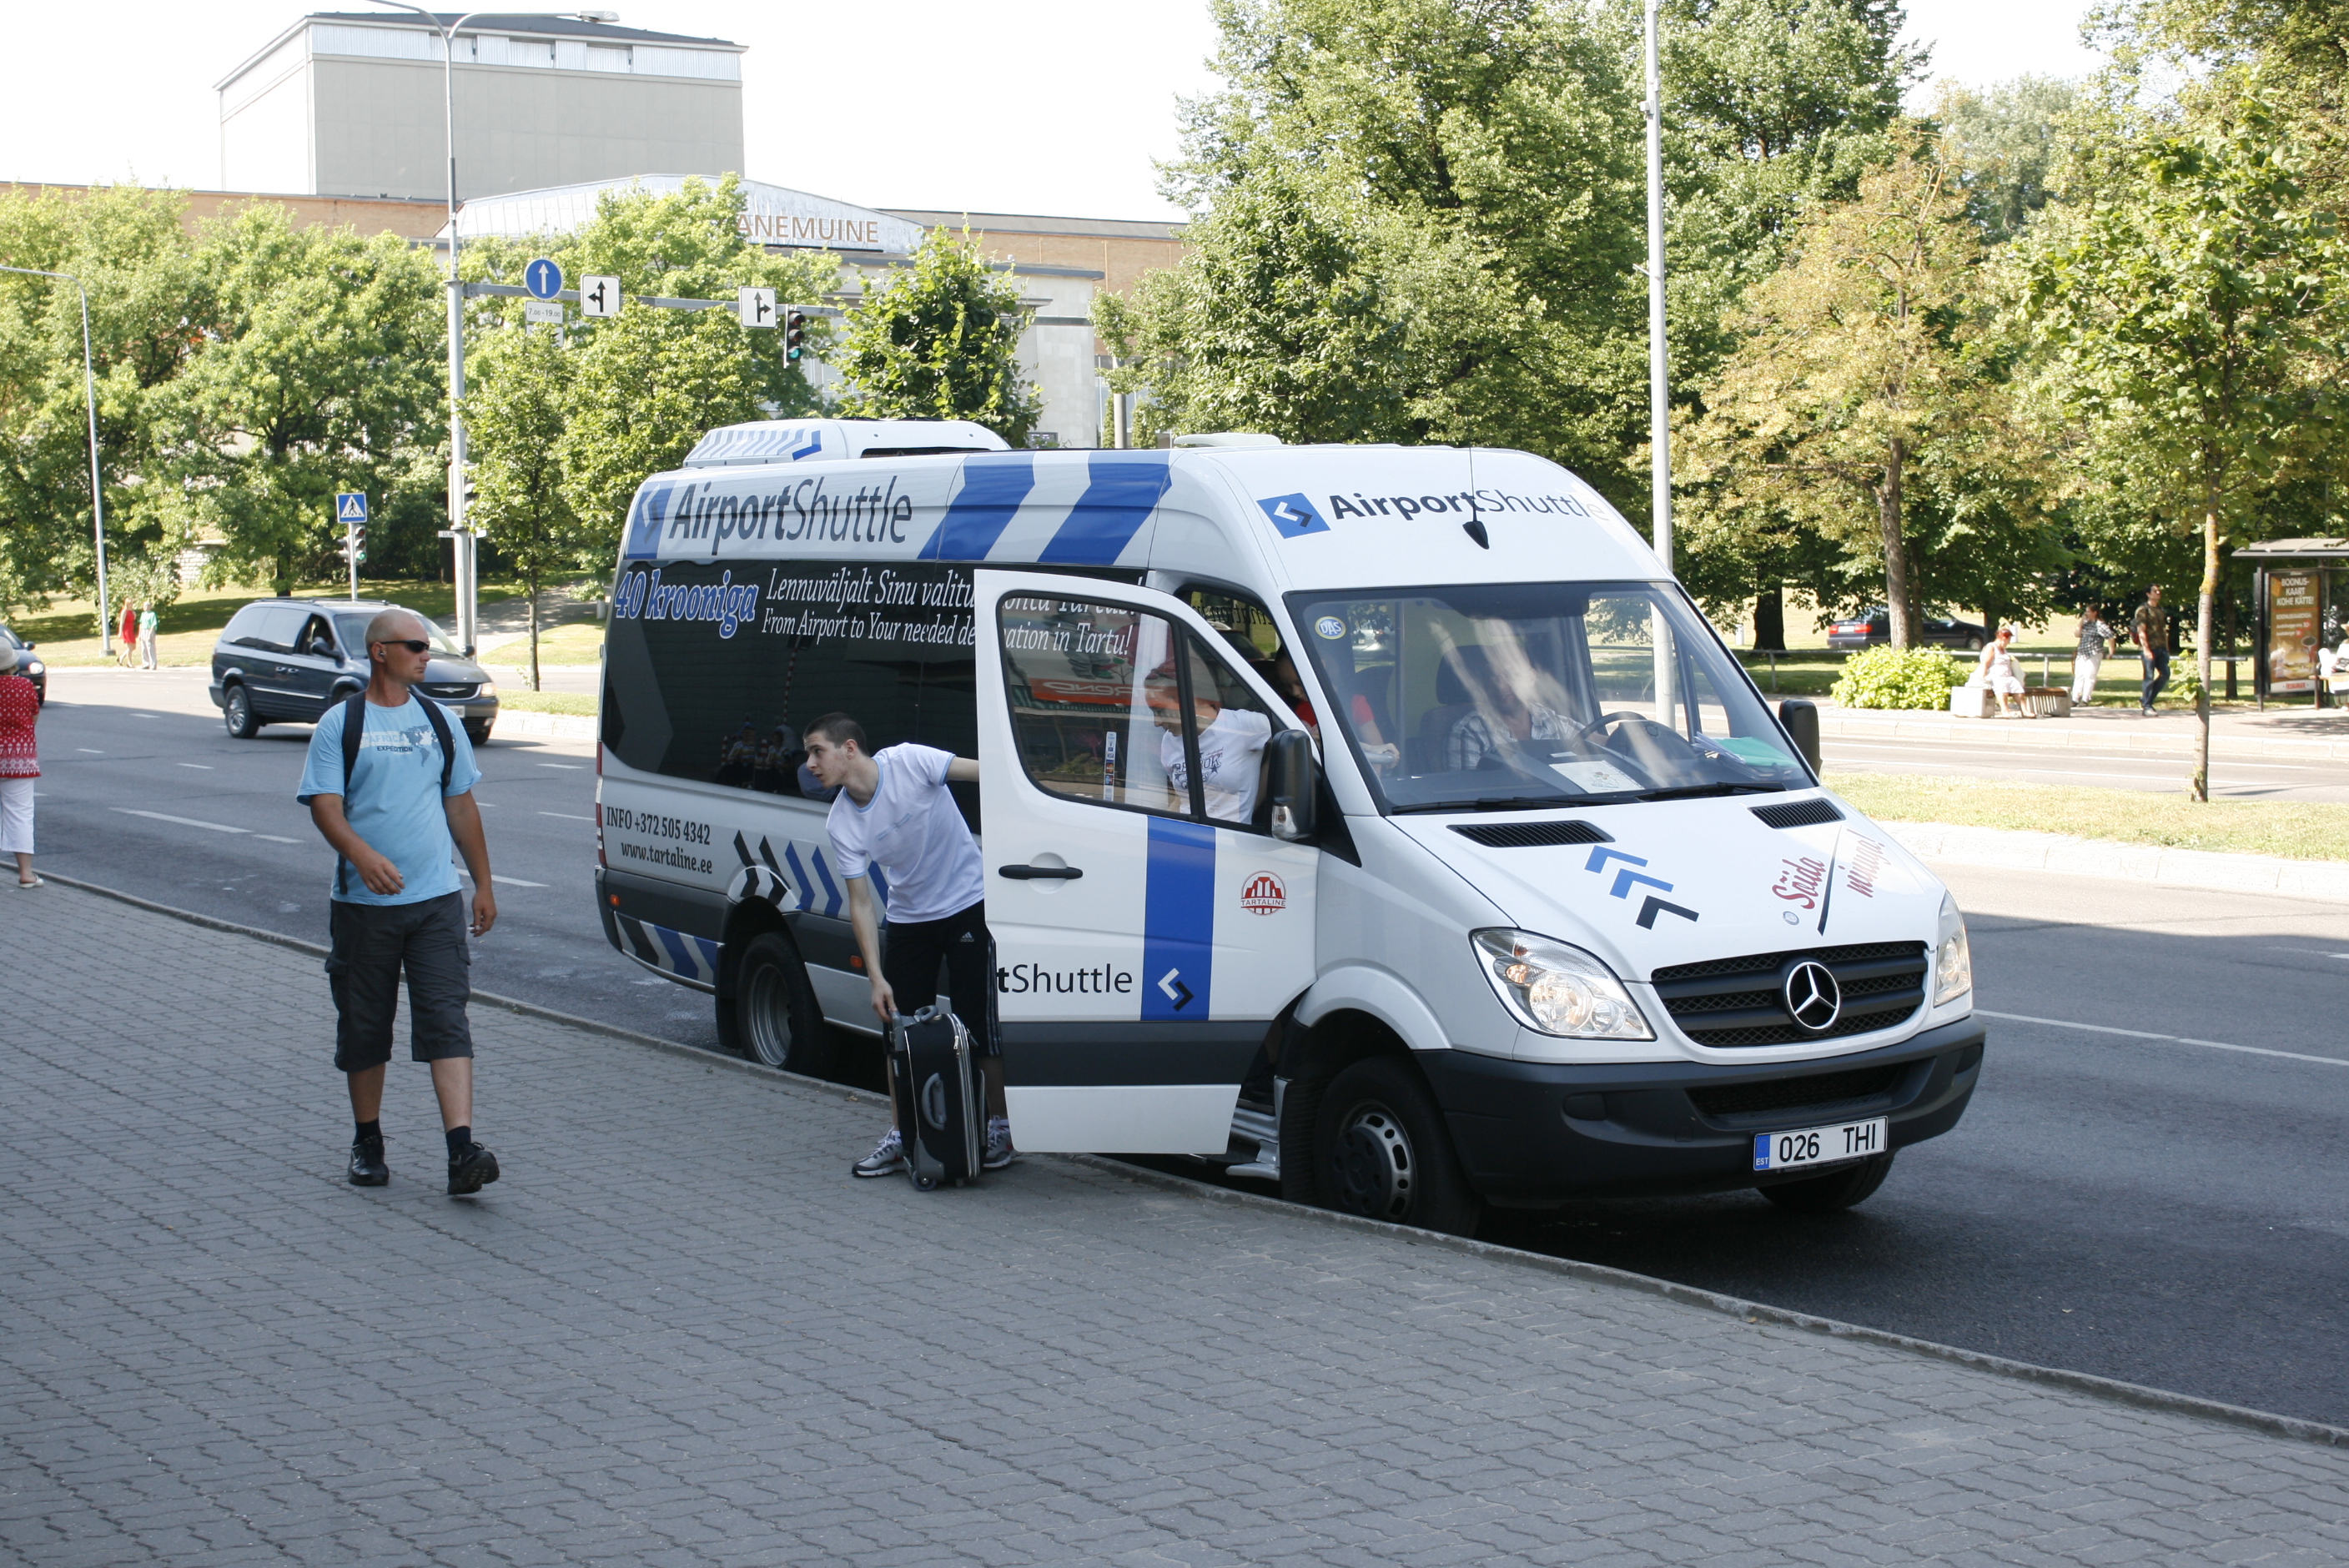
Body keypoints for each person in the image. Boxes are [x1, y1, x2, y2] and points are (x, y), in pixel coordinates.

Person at [297, 608, 500, 1196]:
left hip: (436, 901)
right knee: (365, 1026)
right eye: (414, 645)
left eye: (427, 646)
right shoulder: (342, 724)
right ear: (381, 652)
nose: (425, 654)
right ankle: (367, 1140)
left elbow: (461, 806)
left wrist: (483, 883)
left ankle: (462, 1151)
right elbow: (325, 806)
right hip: (363, 907)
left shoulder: (440, 720)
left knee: (446, 1019)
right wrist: (362, 856)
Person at [804, 714, 1014, 1179]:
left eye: (818, 751)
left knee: (977, 1024)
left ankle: (999, 1128)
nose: (810, 763)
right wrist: (876, 978)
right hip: (910, 920)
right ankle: (904, 1135)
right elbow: (861, 903)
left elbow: (990, 773)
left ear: (850, 748)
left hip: (967, 903)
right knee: (900, 1034)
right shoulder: (841, 821)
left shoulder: (909, 762)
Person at [1159, 683, 1274, 823]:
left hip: (1230, 837)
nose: (1156, 722)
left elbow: (1296, 738)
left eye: (1159, 711)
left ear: (1185, 699)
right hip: (1187, 832)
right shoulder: (1169, 739)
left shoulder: (1242, 725)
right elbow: (1182, 798)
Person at [1445, 655, 1567, 770]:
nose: (1500, 685)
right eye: (1493, 677)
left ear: (1531, 678)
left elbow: (1584, 744)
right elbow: (1470, 789)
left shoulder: (1551, 720)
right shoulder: (1470, 731)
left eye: (1510, 675)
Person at [0, 641, 39, 888]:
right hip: (20, 759)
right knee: (21, 814)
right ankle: (26, 873)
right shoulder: (24, 685)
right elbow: (34, 716)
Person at [1974, 626, 2030, 716]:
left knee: (2018, 688)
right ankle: (2005, 711)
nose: (2009, 642)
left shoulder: (2003, 650)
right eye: (2009, 639)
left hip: (2007, 676)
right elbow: (1985, 663)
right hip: (1995, 676)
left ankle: (2025, 711)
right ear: (2004, 639)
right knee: (2002, 687)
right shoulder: (1991, 647)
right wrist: (1983, 677)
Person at [2133, 587, 2170, 715]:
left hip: (2161, 648)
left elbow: (2163, 630)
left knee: (2165, 674)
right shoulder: (2143, 610)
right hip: (2150, 648)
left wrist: (2166, 647)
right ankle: (2147, 706)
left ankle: (2146, 698)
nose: (2158, 593)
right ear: (2148, 594)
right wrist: (2146, 649)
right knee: (2149, 676)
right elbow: (2141, 630)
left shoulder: (2160, 610)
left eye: (2159, 591)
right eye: (2155, 591)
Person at [2072, 606, 2115, 707]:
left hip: (2094, 653)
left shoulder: (2100, 625)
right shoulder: (2085, 624)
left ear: (2095, 613)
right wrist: (2081, 621)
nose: (2086, 614)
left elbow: (2111, 637)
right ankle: (2074, 698)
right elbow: (2077, 634)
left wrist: (2111, 652)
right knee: (2079, 675)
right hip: (2082, 652)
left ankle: (2085, 699)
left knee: (2090, 676)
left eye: (2088, 612)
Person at [137, 604, 159, 671]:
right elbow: (141, 624)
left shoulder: (152, 614)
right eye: (145, 606)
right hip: (143, 631)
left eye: (147, 606)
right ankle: (146, 664)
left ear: (150, 607)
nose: (146, 607)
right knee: (144, 648)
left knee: (150, 648)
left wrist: (150, 633)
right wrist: (139, 633)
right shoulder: (143, 614)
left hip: (150, 630)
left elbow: (153, 624)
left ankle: (153, 664)